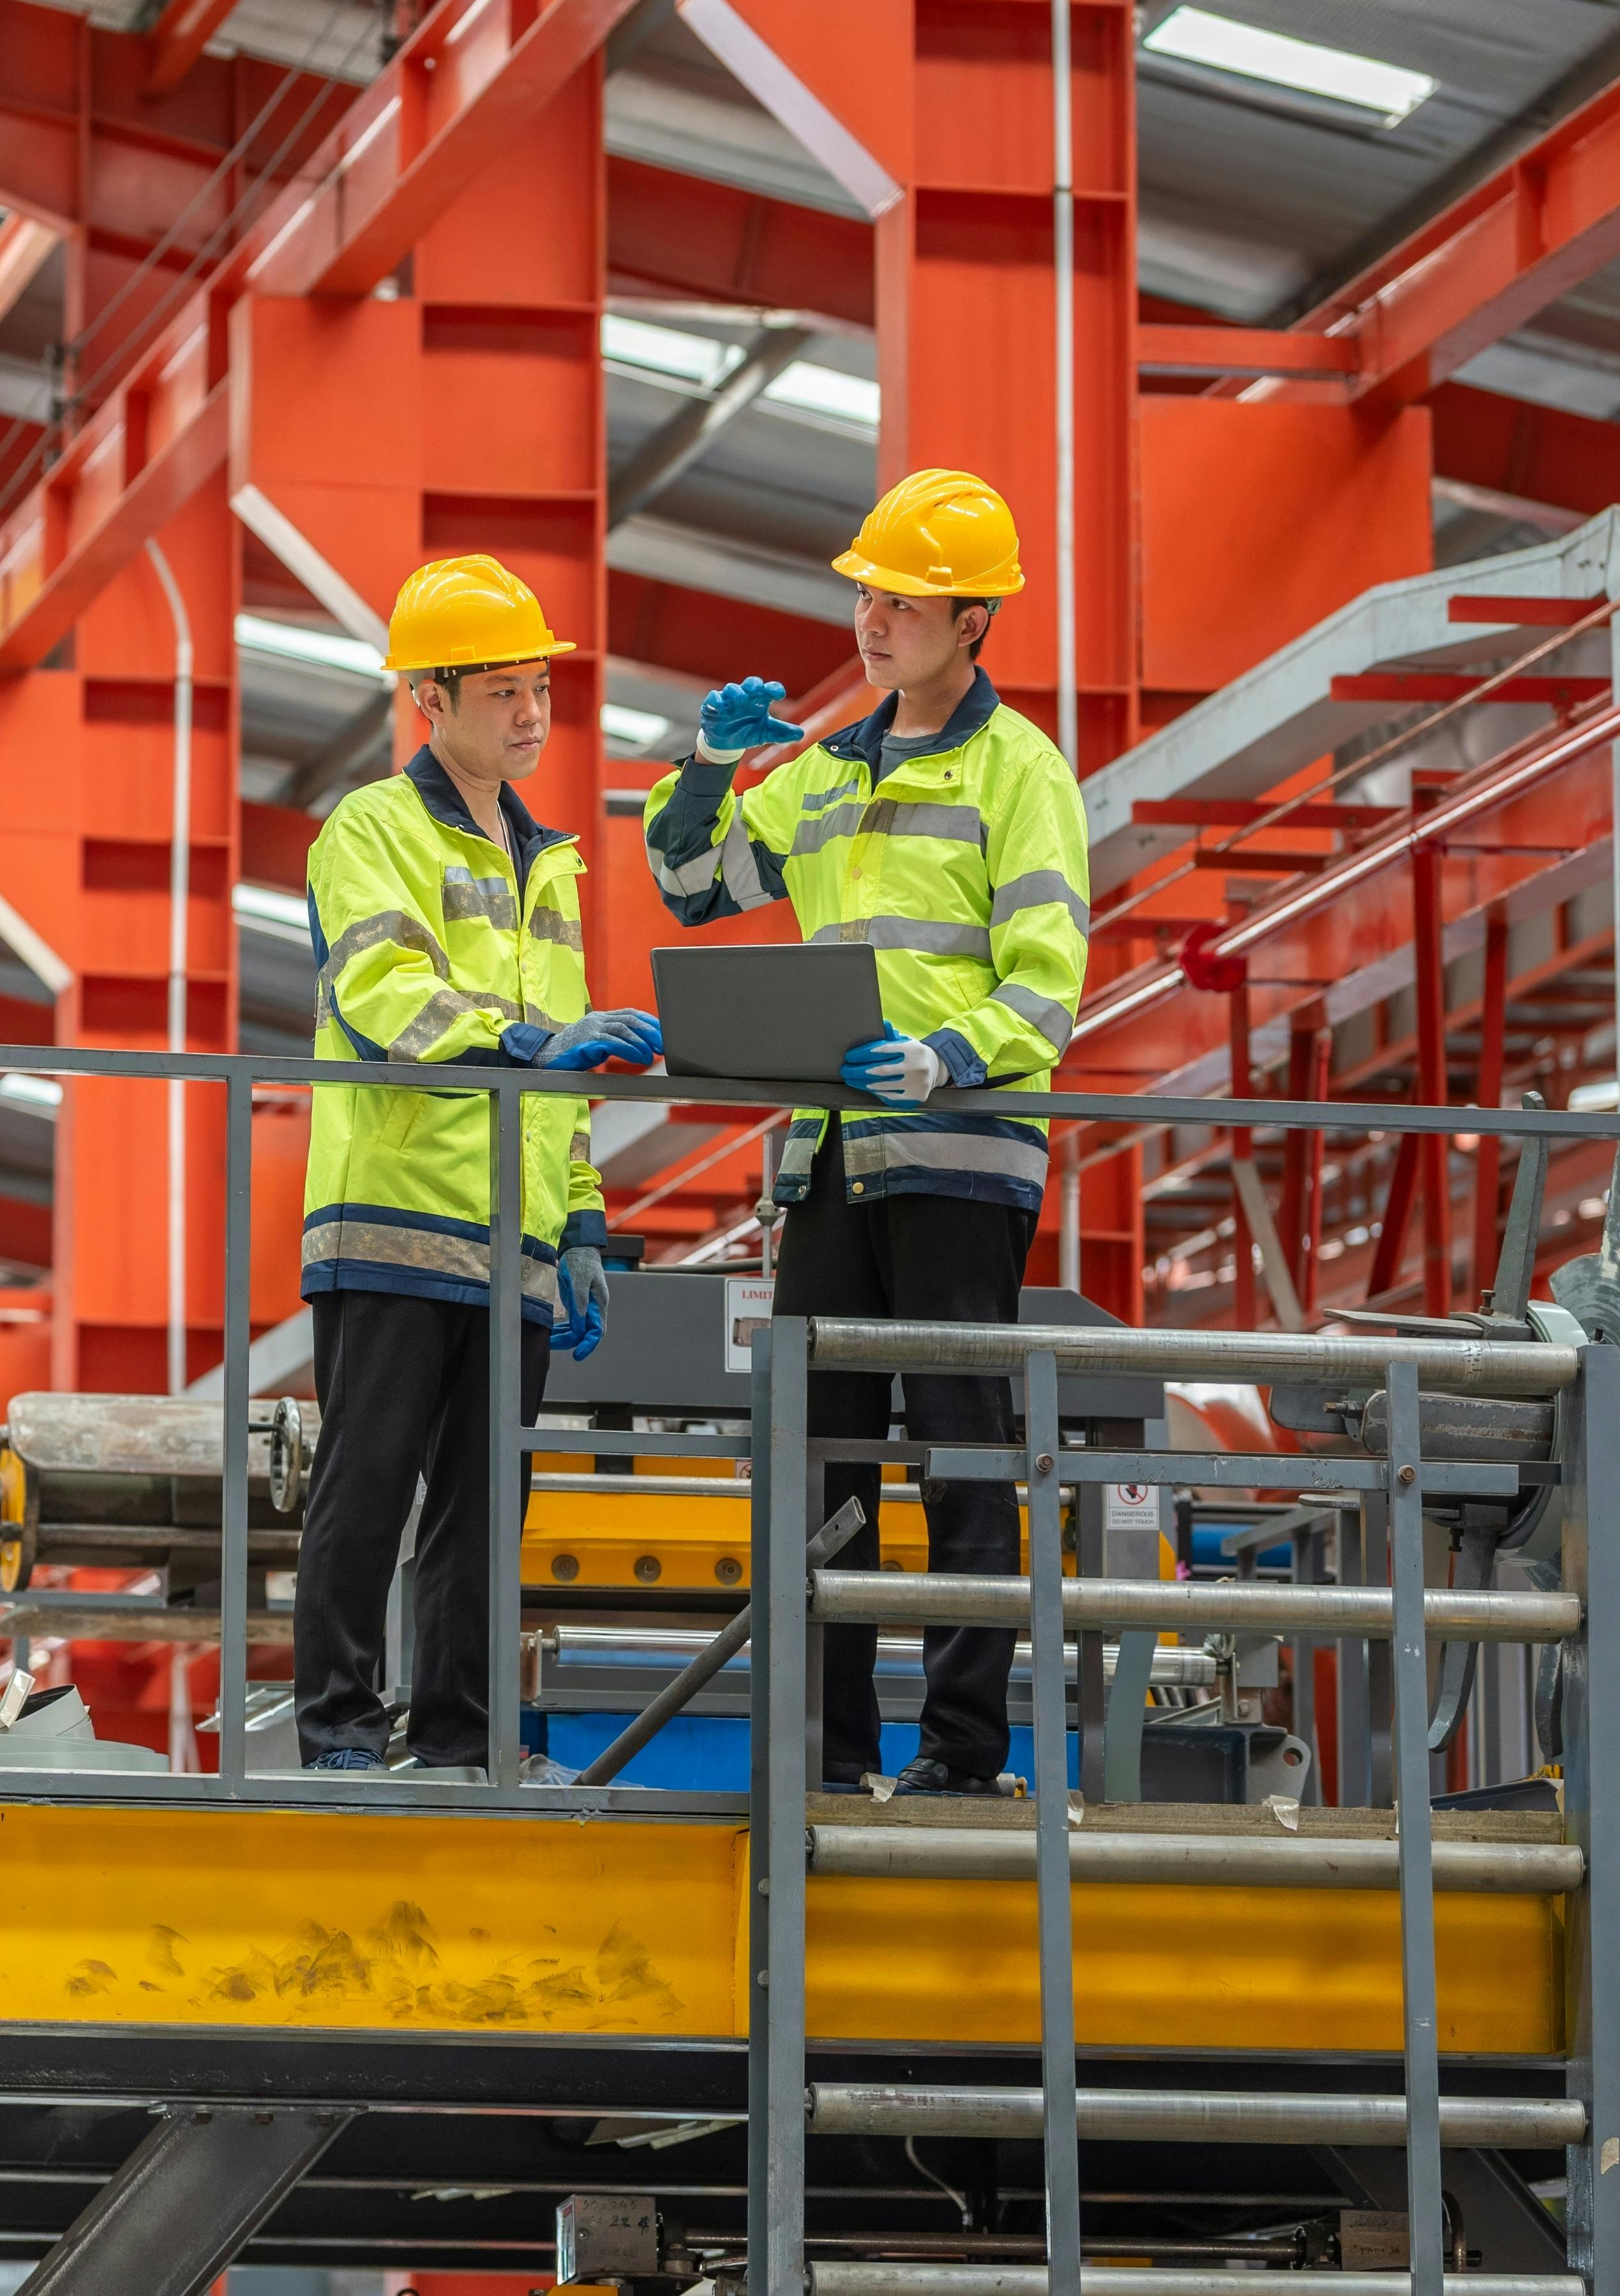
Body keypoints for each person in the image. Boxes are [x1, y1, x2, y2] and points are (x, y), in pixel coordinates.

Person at [638, 469, 1091, 1798]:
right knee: (820, 1462)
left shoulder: (1025, 774)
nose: (873, 617)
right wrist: (711, 768)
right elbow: (692, 881)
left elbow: (1048, 980)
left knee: (961, 1458)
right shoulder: (824, 769)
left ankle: (959, 1756)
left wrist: (947, 1054)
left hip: (960, 1157)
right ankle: (829, 1758)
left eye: (902, 597)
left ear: (976, 620)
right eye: (866, 592)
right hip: (831, 1163)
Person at [293, 554, 663, 1775]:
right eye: (502, 689)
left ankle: (460, 1734)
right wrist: (521, 1039)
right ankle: (340, 1724)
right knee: (368, 1486)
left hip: (514, 1238)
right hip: (394, 1216)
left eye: (538, 688)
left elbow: (562, 1091)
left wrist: (586, 1224)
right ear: (429, 700)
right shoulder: (374, 828)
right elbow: (384, 992)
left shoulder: (547, 858)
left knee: (482, 1503)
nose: (529, 713)